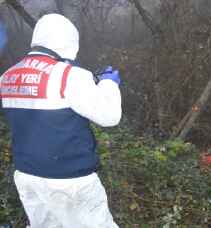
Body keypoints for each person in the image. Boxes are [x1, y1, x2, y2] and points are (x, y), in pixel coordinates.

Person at [0, 14, 121, 228]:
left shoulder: (7, 76)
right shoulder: (70, 75)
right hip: (70, 179)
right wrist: (109, 84)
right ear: (68, 42)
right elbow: (110, 116)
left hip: (28, 176)